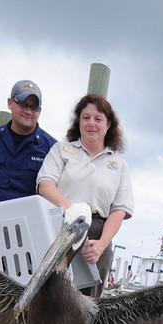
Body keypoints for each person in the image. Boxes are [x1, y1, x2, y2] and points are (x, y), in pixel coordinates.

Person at [36, 94, 133, 297]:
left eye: (98, 119)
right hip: (61, 227)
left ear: (108, 126)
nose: (91, 124)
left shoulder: (119, 166)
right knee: (49, 296)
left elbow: (120, 210)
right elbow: (44, 185)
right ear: (78, 121)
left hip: (97, 236)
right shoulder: (61, 150)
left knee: (88, 303)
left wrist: (102, 244)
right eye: (86, 117)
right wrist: (72, 212)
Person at [0, 80, 56, 205]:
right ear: (10, 103)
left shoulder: (51, 149)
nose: (28, 111)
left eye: (34, 107)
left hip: (27, 220)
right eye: (23, 104)